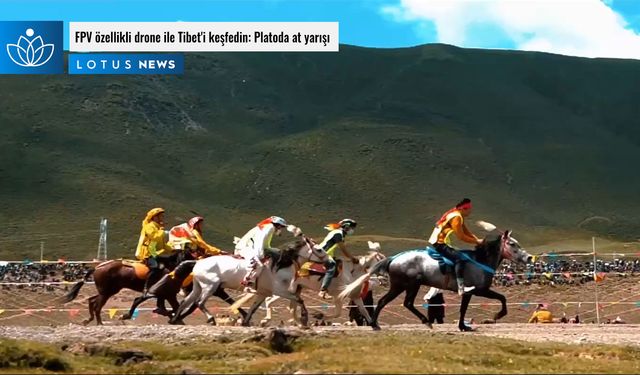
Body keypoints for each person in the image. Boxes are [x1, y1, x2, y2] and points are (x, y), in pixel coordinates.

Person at [428, 198, 483, 296]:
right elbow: (461, 236)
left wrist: (476, 239)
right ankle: (461, 288)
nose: (471, 211)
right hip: (440, 243)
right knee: (460, 259)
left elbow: (466, 231)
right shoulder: (456, 217)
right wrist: (476, 241)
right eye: (469, 209)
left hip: (441, 242)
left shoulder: (457, 214)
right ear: (464, 209)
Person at [236, 216, 301, 292]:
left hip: (250, 248)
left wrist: (278, 251)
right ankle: (247, 283)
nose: (281, 229)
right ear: (278, 225)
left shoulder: (269, 228)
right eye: (281, 227)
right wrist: (261, 256)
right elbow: (259, 244)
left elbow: (266, 246)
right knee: (258, 264)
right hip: (244, 248)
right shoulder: (268, 228)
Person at [135, 207, 175, 296]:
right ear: (154, 217)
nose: (162, 218)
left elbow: (163, 245)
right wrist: (162, 230)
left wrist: (174, 249)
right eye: (160, 216)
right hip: (148, 253)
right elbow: (154, 237)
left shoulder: (158, 228)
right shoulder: (149, 227)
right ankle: (146, 287)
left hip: (155, 252)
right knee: (156, 267)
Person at [317, 218, 358, 299]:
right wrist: (352, 258)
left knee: (339, 263)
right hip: (322, 253)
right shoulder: (338, 234)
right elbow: (343, 249)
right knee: (331, 267)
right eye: (352, 228)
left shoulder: (340, 234)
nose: (352, 230)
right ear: (346, 227)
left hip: (326, 253)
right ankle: (323, 290)